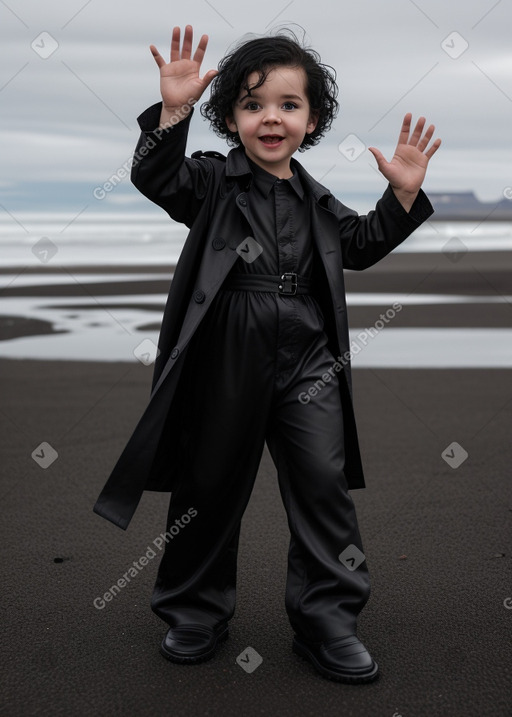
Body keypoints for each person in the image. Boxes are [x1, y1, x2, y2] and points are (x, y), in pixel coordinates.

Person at [93, 24, 441, 683]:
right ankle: (195, 611)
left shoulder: (315, 198)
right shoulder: (210, 183)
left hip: (308, 354)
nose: (270, 117)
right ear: (229, 117)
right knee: (210, 482)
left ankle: (328, 620)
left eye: (288, 104)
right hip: (226, 347)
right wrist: (173, 113)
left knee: (322, 483)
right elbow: (155, 177)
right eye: (252, 104)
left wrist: (400, 195)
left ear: (312, 120)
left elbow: (361, 245)